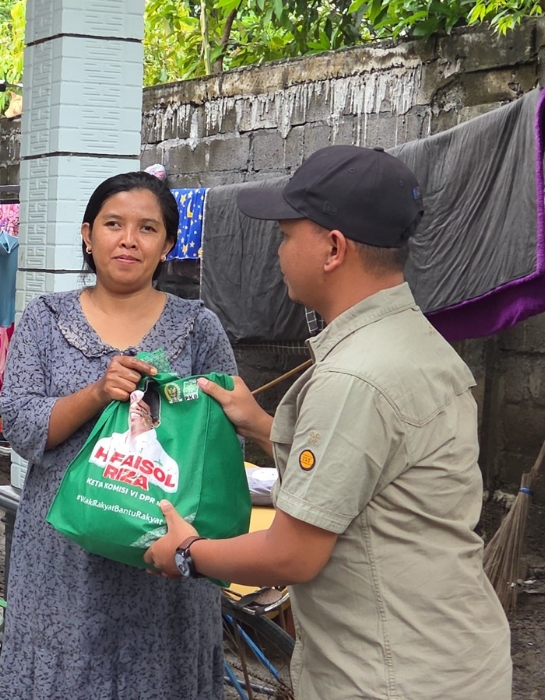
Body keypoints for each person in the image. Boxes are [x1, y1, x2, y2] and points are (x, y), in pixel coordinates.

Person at [145, 145, 513, 699]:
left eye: (286, 235)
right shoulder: (413, 340)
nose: (278, 250)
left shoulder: (354, 377)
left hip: (391, 677)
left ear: (334, 249)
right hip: (452, 657)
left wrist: (186, 553)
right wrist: (260, 424)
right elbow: (370, 467)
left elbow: (292, 554)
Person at [0, 171, 237, 700]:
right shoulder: (45, 319)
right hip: (64, 558)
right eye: (113, 224)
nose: (129, 239)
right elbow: (20, 424)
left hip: (163, 556)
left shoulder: (199, 327)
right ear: (88, 235)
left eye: (147, 228)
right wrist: (98, 393)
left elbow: (224, 439)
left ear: (168, 244)